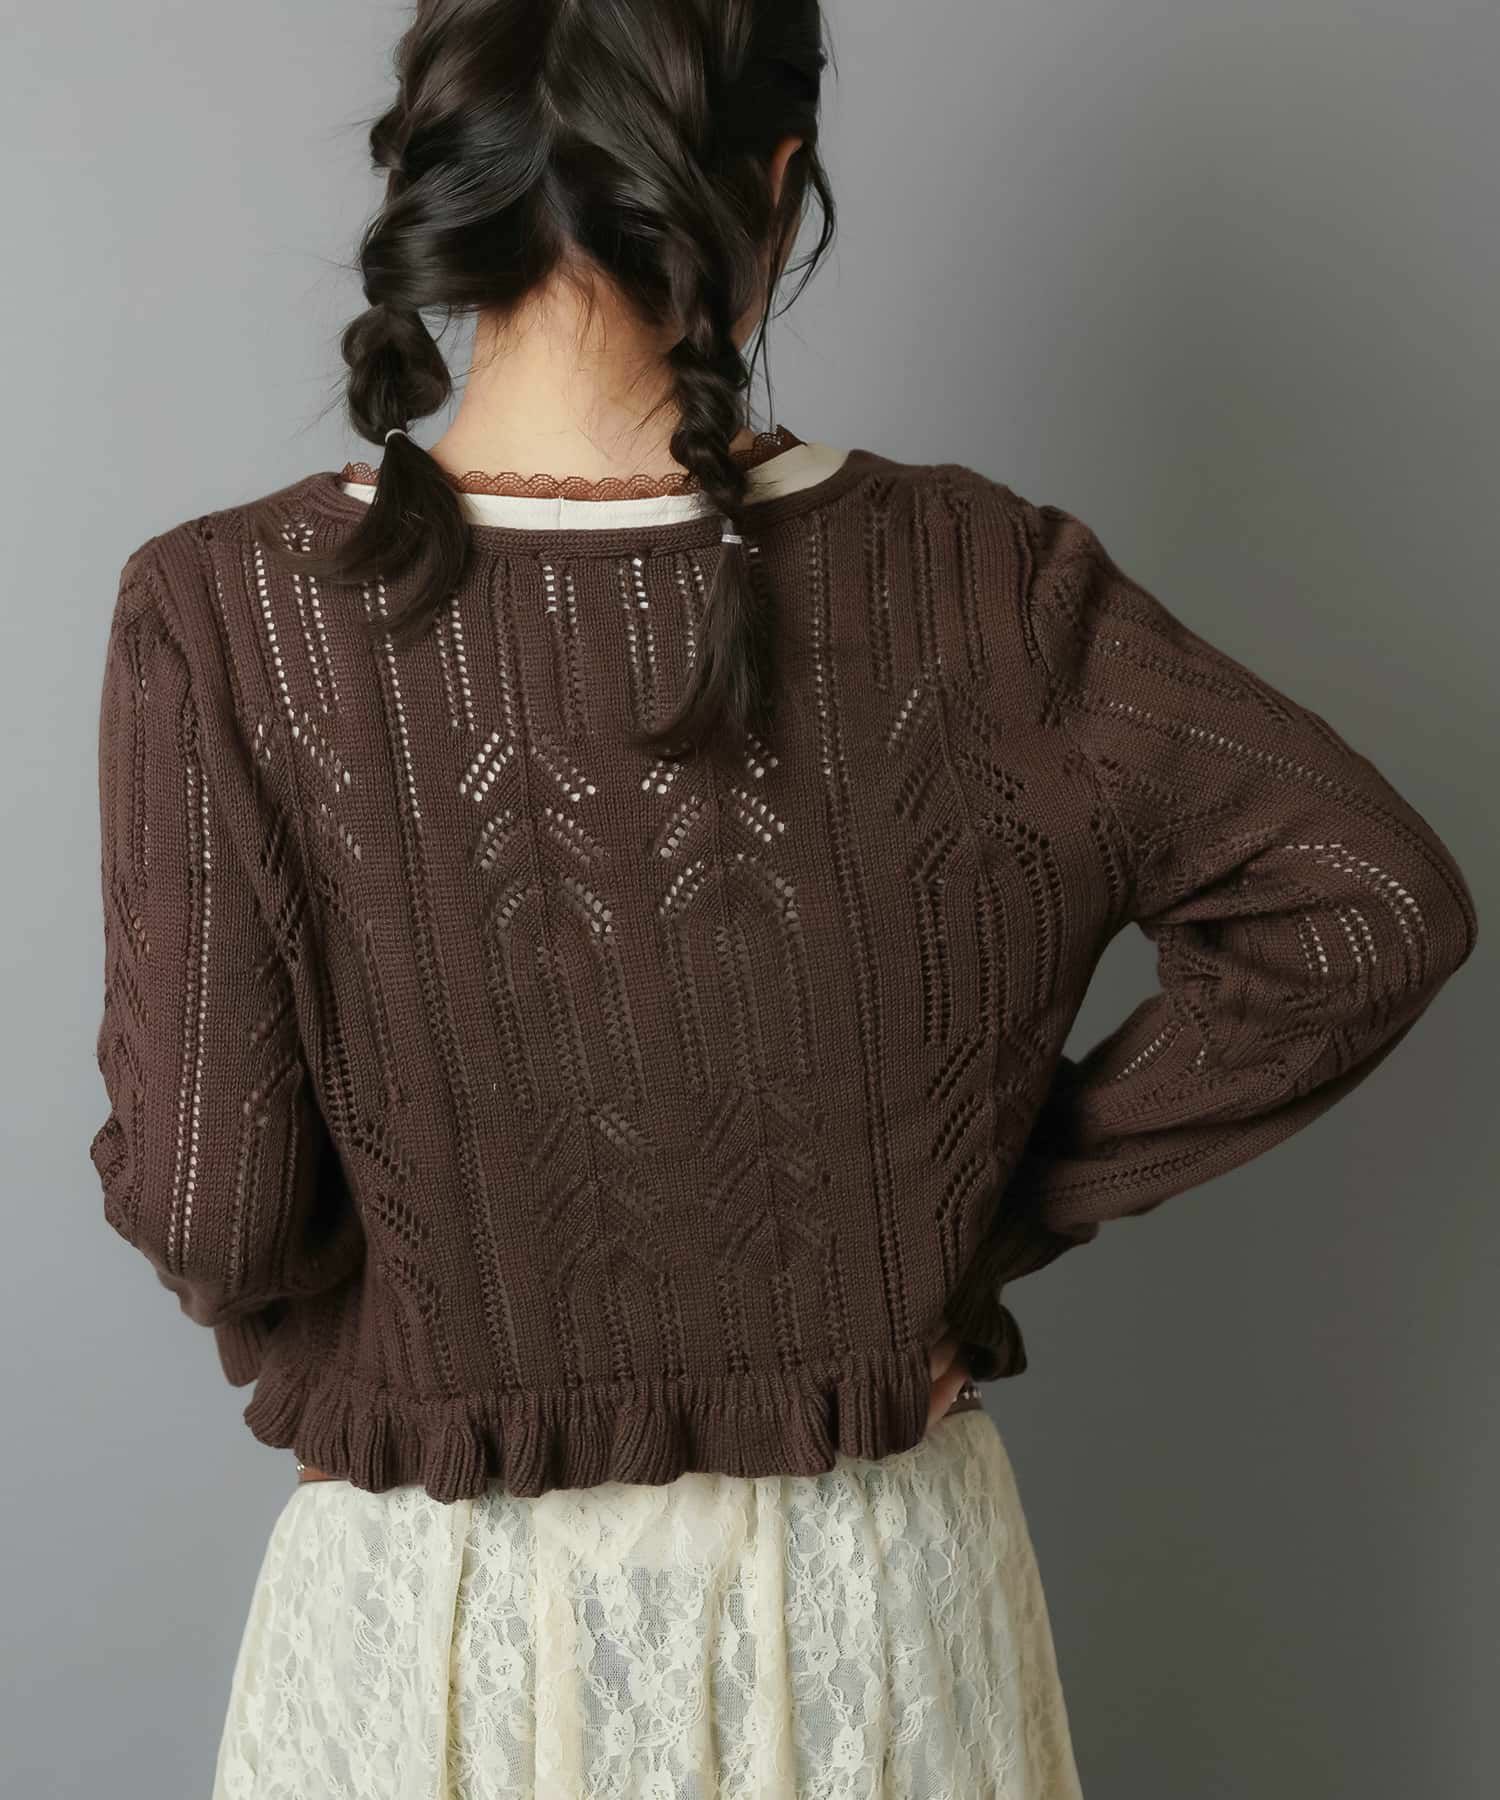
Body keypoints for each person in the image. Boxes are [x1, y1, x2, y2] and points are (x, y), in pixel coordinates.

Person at [90, 3, 1477, 1795]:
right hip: (869, 1607)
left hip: (442, 1609)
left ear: (449, 179)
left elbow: (211, 1204)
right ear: (774, 182)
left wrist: (377, 1355)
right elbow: (1367, 907)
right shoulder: (983, 579)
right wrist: (976, 1216)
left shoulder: (229, 615)